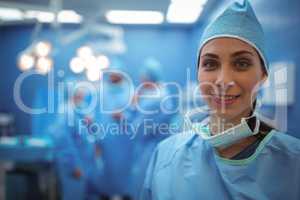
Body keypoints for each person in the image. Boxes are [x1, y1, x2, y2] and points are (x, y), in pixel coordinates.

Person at [140, 1, 300, 199]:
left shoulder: (293, 163)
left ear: (263, 75)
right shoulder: (166, 157)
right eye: (210, 63)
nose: (223, 80)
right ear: (198, 73)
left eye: (241, 63)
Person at [128, 58, 174, 199]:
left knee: (144, 189)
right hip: (158, 149)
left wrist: (133, 106)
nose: (141, 82)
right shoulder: (163, 92)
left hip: (150, 153)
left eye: (143, 78)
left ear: (149, 78)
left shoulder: (154, 100)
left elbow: (136, 131)